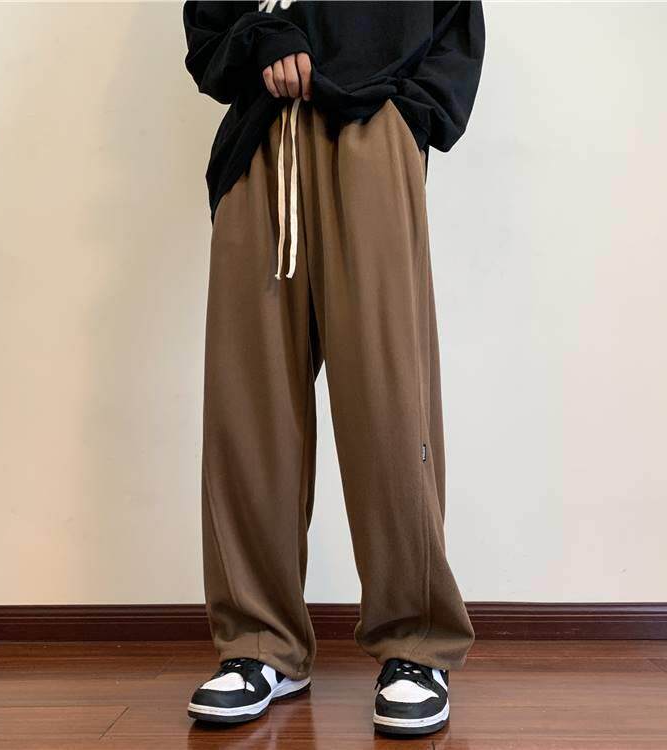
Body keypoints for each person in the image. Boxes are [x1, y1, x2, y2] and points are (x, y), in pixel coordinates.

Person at [182, 0, 485, 736]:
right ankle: (260, 642)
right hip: (261, 141)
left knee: (388, 398)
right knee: (249, 408)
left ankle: (416, 643)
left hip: (371, 128)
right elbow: (207, 25)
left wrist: (410, 119)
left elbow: (455, 21)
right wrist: (263, 37)